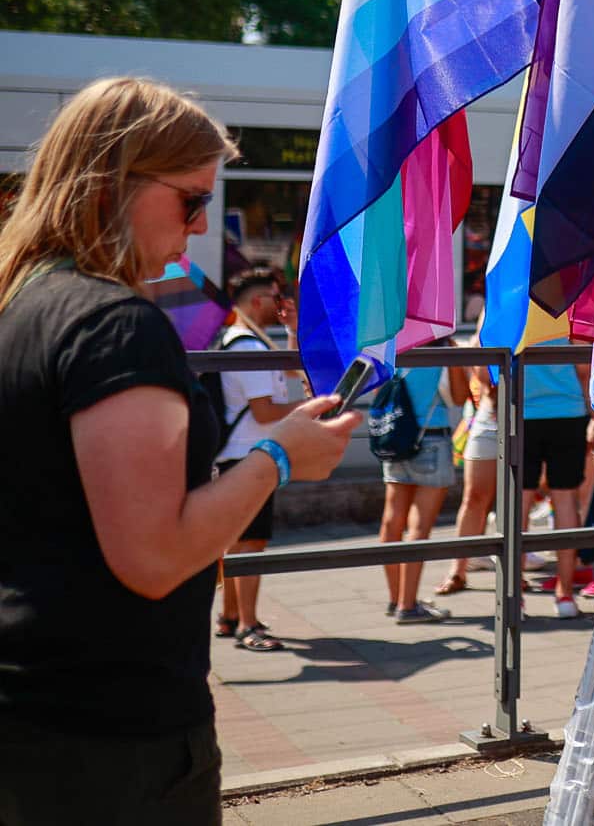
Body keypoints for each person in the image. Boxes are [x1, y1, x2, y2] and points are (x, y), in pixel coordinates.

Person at [0, 78, 359, 825]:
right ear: (112, 182)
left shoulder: (21, 301)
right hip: (111, 734)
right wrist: (280, 457)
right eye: (191, 201)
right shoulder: (115, 325)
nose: (199, 229)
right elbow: (155, 557)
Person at [212, 266, 303, 652]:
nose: (279, 302)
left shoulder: (246, 339)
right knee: (251, 545)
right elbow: (265, 412)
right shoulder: (247, 346)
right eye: (274, 296)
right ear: (255, 301)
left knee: (236, 542)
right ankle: (249, 625)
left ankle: (231, 616)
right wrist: (309, 406)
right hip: (247, 459)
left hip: (236, 457)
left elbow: (290, 367)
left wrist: (293, 328)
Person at [378, 363, 470, 623]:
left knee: (391, 521)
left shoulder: (391, 341)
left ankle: (397, 598)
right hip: (431, 438)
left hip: (395, 435)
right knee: (419, 528)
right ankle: (408, 606)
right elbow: (459, 397)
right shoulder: (439, 343)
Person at [520, 357, 591, 618]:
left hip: (521, 408)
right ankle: (565, 593)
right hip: (567, 410)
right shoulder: (568, 313)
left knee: (520, 501)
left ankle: (514, 592)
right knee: (565, 500)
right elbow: (583, 369)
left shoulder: (511, 312)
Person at [438, 361, 496, 597]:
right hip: (490, 414)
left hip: (536, 412)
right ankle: (457, 570)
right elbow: (481, 370)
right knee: (474, 497)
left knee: (520, 498)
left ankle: (516, 572)